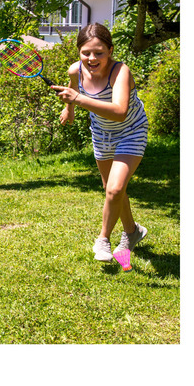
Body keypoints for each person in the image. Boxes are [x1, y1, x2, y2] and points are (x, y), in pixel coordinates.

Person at [52, 23, 148, 263]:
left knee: (115, 189)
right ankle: (133, 232)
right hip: (102, 134)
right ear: (78, 52)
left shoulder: (120, 71)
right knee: (113, 190)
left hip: (131, 131)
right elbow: (73, 90)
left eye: (99, 52)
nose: (92, 58)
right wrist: (69, 109)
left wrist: (78, 99)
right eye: (86, 52)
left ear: (110, 51)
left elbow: (119, 112)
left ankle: (103, 239)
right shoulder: (75, 70)